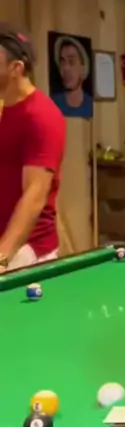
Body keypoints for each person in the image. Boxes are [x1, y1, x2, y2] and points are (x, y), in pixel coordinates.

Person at [0, 25, 66, 272]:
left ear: (15, 69)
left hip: (24, 249)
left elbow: (34, 196)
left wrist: (2, 257)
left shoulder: (41, 116)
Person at [51, 35, 93, 118]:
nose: (66, 68)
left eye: (71, 61)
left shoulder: (91, 105)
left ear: (83, 68)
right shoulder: (52, 104)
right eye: (62, 62)